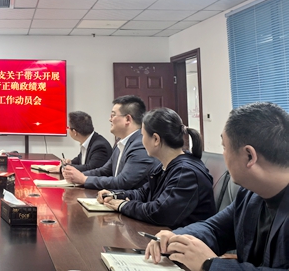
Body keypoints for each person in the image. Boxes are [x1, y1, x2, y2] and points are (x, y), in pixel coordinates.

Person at [146, 102, 289, 271]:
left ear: (249, 156)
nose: (224, 154)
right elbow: (214, 229)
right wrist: (175, 238)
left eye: (224, 147)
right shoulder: (250, 194)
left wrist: (210, 264)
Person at [97, 107, 215, 229]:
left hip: (184, 238)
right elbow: (143, 193)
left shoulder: (185, 173)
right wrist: (115, 195)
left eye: (143, 136)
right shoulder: (164, 166)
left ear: (156, 139)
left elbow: (160, 212)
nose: (141, 141)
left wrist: (123, 205)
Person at [62, 95, 157, 190]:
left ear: (128, 119)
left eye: (113, 115)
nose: (110, 119)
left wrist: (84, 179)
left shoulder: (140, 145)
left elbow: (123, 181)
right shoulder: (120, 143)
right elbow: (104, 171)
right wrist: (77, 175)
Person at [44, 111, 112, 173]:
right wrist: (71, 162)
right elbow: (81, 160)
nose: (67, 129)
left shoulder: (99, 146)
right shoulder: (88, 140)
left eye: (68, 128)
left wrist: (64, 168)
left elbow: (90, 168)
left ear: (74, 132)